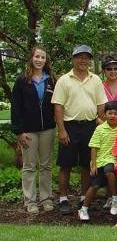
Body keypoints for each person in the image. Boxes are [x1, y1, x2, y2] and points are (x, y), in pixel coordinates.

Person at [51, 45, 107, 214]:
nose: (83, 60)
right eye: (80, 57)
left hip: (90, 126)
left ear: (90, 60)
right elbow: (58, 106)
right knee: (65, 164)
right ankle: (63, 199)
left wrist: (101, 122)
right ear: (73, 59)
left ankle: (84, 197)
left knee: (86, 164)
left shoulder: (95, 79)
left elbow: (101, 104)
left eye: (86, 57)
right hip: (69, 126)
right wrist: (61, 130)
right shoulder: (64, 80)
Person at [11, 46, 56, 213]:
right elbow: (15, 107)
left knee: (46, 166)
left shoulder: (51, 79)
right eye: (37, 56)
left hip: (48, 129)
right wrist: (18, 131)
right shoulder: (22, 80)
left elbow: (56, 105)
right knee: (29, 166)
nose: (39, 60)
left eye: (43, 57)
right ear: (31, 58)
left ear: (46, 60)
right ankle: (30, 201)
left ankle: (46, 199)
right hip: (28, 130)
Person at [78, 101, 117, 221]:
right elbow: (94, 147)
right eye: (109, 113)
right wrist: (93, 164)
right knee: (95, 185)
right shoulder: (100, 129)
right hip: (100, 162)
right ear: (104, 114)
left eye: (115, 113)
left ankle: (114, 198)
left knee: (109, 169)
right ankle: (84, 208)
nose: (112, 115)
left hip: (114, 162)